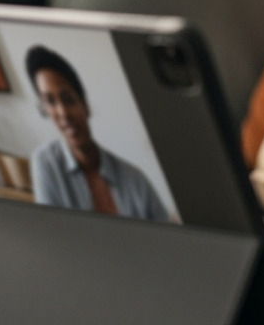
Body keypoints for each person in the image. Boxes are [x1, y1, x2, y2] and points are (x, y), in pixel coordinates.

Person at [23, 45, 171, 222]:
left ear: (84, 105)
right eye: (50, 102)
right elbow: (53, 238)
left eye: (68, 99)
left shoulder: (135, 180)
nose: (63, 113)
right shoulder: (46, 163)